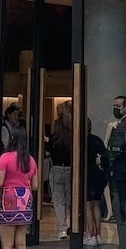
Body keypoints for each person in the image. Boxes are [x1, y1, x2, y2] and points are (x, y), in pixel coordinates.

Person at [48, 102, 72, 238]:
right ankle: (72, 225)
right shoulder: (72, 128)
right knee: (70, 200)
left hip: (56, 167)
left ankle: (62, 228)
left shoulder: (56, 128)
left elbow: (50, 147)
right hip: (70, 167)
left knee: (58, 200)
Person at [84, 118, 108, 247]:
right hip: (99, 176)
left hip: (88, 175)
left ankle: (91, 234)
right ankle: (98, 234)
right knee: (97, 204)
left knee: (88, 206)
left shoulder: (83, 141)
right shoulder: (97, 140)